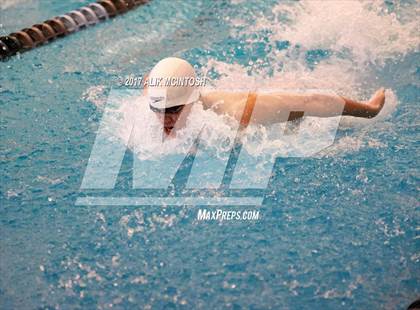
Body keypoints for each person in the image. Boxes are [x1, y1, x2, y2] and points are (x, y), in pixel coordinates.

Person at [144, 57, 385, 136]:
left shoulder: (238, 114)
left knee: (296, 109)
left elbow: (309, 102)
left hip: (279, 117)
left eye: (173, 110)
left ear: (192, 100)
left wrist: (368, 109)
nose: (164, 119)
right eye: (158, 111)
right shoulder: (155, 96)